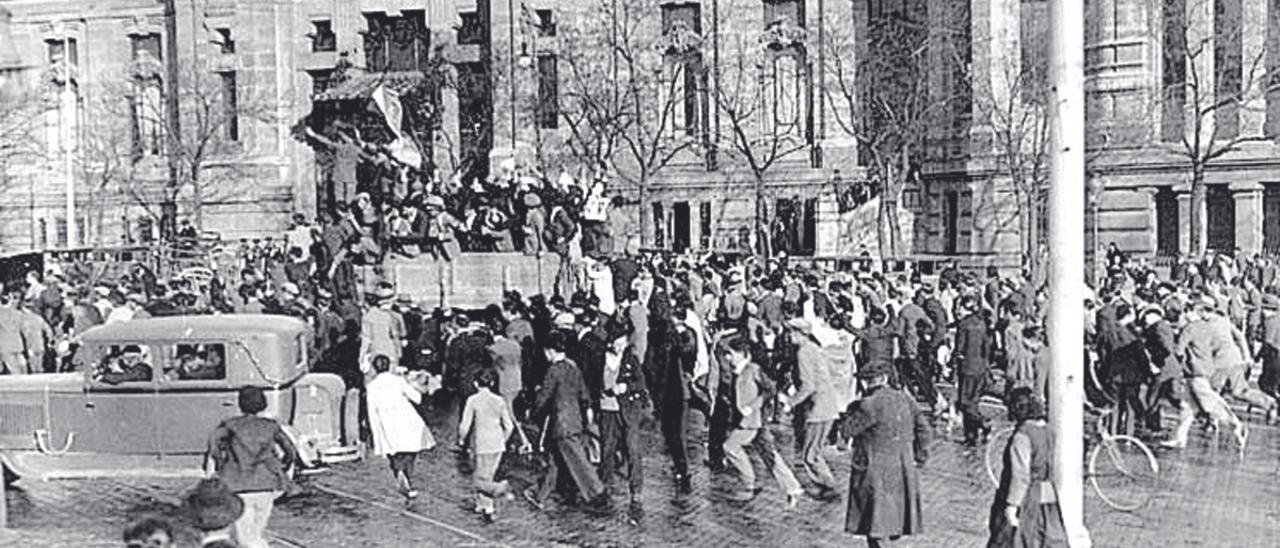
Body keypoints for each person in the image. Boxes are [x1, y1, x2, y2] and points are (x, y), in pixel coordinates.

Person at [839, 360, 930, 548]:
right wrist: (919, 457)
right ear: (886, 378)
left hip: (876, 471)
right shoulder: (905, 398)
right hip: (902, 467)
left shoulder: (868, 404)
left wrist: (851, 408)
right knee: (894, 518)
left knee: (876, 525)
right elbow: (924, 429)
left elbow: (847, 430)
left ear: (865, 383)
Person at [524, 330, 613, 515]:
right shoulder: (573, 366)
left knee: (578, 461)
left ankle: (598, 493)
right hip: (575, 421)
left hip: (561, 423)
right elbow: (583, 393)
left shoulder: (553, 370)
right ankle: (542, 495)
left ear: (550, 350)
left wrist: (532, 412)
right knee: (556, 460)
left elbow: (543, 398)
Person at [204, 386, 298, 548]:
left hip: (238, 485)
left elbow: (214, 445)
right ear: (263, 404)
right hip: (266, 486)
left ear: (240, 404)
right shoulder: (271, 426)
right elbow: (290, 450)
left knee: (245, 537)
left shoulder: (230, 425)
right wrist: (282, 468)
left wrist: (221, 466)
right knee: (256, 532)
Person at [720, 335, 804, 507]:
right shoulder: (736, 372)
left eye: (732, 354)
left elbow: (770, 390)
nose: (729, 358)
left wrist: (752, 406)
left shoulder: (753, 370)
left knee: (730, 447)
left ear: (743, 354)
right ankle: (793, 488)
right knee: (769, 454)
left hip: (751, 420)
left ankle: (749, 483)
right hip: (749, 421)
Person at [986, 387, 1067, 548]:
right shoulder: (1049, 431)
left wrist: (1012, 505)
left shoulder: (1022, 436)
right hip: (1048, 494)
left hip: (1027, 497)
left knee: (1011, 540)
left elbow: (1020, 475)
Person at [782, 318, 841, 501]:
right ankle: (826, 484)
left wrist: (790, 402)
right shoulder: (815, 348)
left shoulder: (804, 352)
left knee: (810, 454)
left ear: (800, 334)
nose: (789, 336)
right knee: (813, 450)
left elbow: (808, 386)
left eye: (792, 332)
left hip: (818, 408)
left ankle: (828, 485)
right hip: (828, 404)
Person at [596, 319, 649, 521]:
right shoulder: (601, 358)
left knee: (632, 449)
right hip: (606, 410)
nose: (619, 346)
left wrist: (626, 387)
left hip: (627, 410)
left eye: (623, 342)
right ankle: (606, 485)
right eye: (616, 342)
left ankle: (636, 490)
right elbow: (593, 381)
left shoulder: (630, 359)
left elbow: (641, 383)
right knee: (607, 448)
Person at [366, 354, 439, 499]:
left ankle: (398, 470)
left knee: (393, 452)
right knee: (411, 450)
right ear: (389, 366)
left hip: (386, 421)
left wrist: (376, 433)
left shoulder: (371, 387)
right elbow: (417, 398)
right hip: (406, 418)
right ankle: (408, 479)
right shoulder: (398, 381)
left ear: (374, 369)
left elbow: (371, 411)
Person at [458, 368, 515, 523]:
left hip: (481, 443)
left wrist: (461, 439)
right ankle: (485, 507)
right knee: (487, 474)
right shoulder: (499, 400)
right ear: (492, 382)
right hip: (497, 443)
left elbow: (465, 425)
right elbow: (509, 426)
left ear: (476, 383)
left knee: (479, 479)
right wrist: (503, 440)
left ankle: (497, 489)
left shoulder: (473, 400)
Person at [953, 296, 993, 446]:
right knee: (973, 402)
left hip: (967, 367)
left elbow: (960, 348)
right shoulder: (981, 324)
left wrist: (954, 363)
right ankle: (972, 434)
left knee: (964, 403)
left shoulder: (964, 325)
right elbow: (986, 348)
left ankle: (980, 424)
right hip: (980, 367)